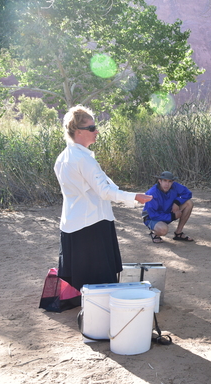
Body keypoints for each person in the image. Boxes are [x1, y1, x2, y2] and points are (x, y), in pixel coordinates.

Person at [54, 105, 152, 290]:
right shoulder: (83, 159)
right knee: (99, 280)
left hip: (73, 224)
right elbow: (104, 191)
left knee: (84, 279)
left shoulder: (63, 157)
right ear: (78, 131)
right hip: (92, 224)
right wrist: (134, 197)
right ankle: (97, 313)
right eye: (91, 128)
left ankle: (89, 309)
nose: (96, 131)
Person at [142, 171, 194, 243]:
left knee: (189, 203)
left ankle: (178, 233)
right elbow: (153, 215)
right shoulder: (152, 193)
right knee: (163, 230)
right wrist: (172, 216)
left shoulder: (174, 186)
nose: (167, 184)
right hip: (152, 218)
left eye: (170, 181)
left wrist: (177, 202)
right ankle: (155, 234)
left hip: (168, 211)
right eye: (165, 181)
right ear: (160, 181)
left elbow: (188, 193)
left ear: (172, 182)